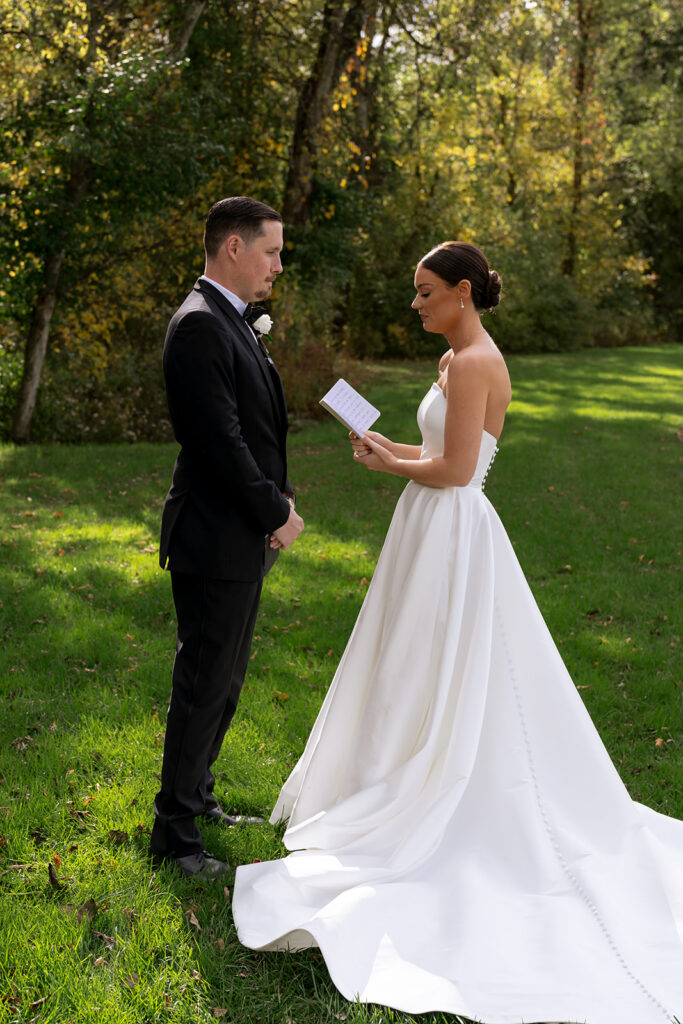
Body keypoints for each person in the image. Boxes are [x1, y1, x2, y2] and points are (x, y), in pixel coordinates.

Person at [232, 241, 683, 1023]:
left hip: (452, 530)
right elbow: (440, 456)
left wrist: (391, 468)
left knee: (432, 666)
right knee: (406, 666)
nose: (415, 304)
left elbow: (457, 472)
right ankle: (392, 768)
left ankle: (428, 786)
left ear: (463, 293)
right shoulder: (456, 358)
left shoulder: (474, 361)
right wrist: (390, 450)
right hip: (430, 524)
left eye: (425, 291)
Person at [150, 196, 304, 879]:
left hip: (238, 534)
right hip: (214, 536)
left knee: (226, 679)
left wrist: (281, 494)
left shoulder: (232, 322)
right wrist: (275, 511)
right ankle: (174, 838)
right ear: (233, 248)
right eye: (270, 251)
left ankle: (198, 796)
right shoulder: (199, 327)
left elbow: (258, 426)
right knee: (202, 684)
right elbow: (219, 442)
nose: (277, 264)